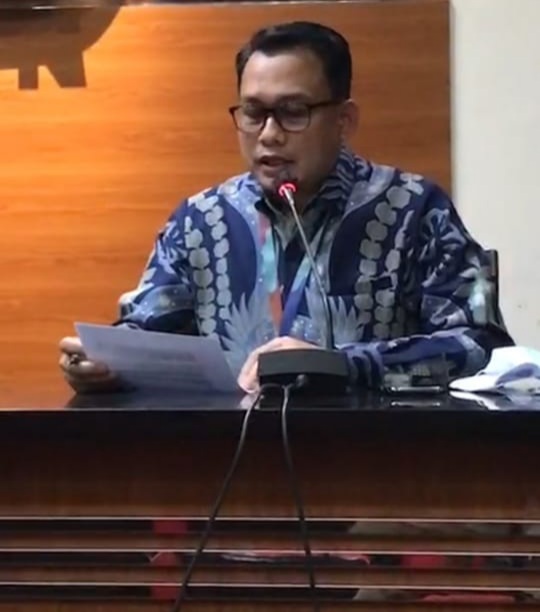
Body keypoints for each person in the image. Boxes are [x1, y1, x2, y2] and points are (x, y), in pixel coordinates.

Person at [59, 20, 513, 394]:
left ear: (344, 120)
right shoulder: (199, 221)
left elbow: (482, 347)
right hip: (229, 463)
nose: (269, 134)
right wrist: (107, 363)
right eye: (253, 113)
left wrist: (343, 366)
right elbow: (147, 331)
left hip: (371, 460)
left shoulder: (413, 210)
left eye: (293, 112)